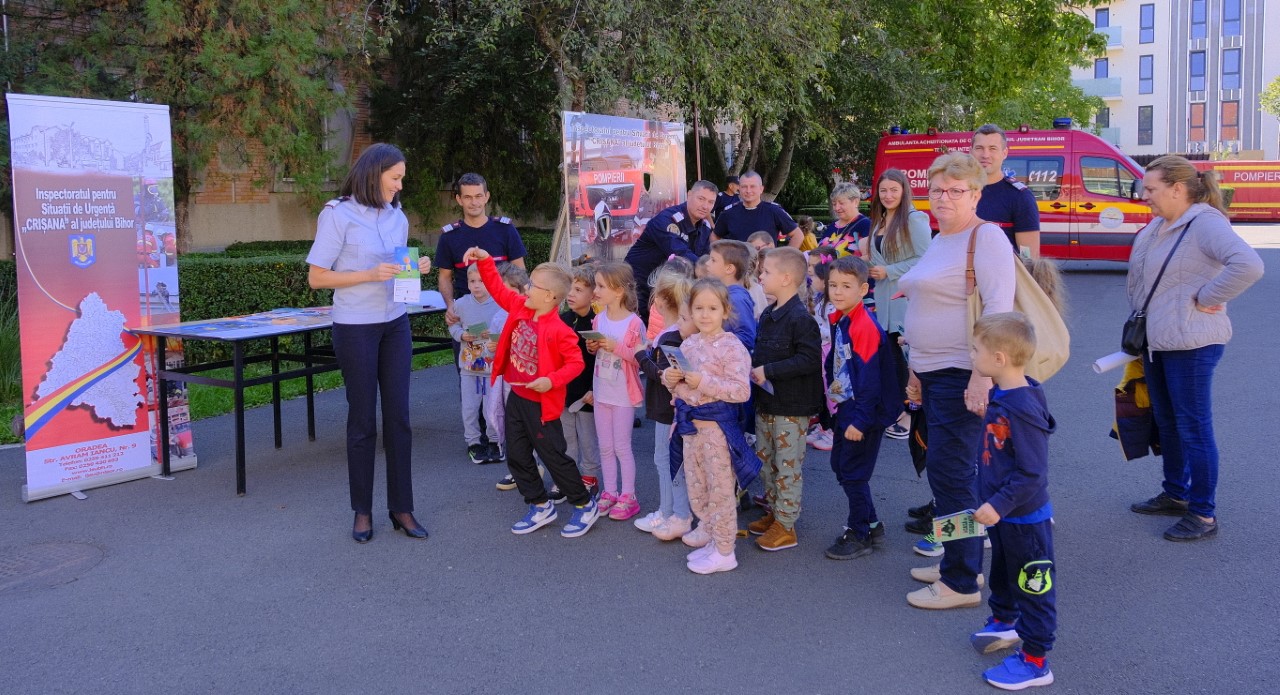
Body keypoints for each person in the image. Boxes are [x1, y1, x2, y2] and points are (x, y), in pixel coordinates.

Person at [1125, 155, 1264, 541]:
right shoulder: (1159, 225)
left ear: (1177, 189)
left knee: (1193, 427)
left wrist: (1207, 296)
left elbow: (1249, 265)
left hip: (1192, 342)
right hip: (1157, 341)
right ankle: (1176, 494)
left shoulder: (1204, 223)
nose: (1145, 196)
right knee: (1168, 423)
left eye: (1150, 189)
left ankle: (1203, 515)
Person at [899, 152, 1015, 608]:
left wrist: (980, 377)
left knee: (953, 477)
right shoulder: (942, 237)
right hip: (932, 372)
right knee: (949, 477)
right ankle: (955, 557)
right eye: (937, 189)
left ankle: (961, 580)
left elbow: (999, 311)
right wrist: (914, 370)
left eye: (955, 190)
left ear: (976, 194)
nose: (944, 197)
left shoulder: (984, 237)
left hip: (959, 374)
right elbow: (925, 308)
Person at [305, 143, 429, 543]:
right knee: (362, 421)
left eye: (401, 178)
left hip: (395, 324)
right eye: (395, 177)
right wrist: (368, 274)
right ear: (374, 174)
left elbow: (400, 277)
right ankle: (362, 511)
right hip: (355, 326)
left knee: (400, 419)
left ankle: (402, 508)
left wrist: (416, 270)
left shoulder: (398, 218)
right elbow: (318, 277)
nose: (399, 185)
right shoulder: (338, 215)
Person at [462, 246, 600, 538]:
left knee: (554, 457)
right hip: (518, 398)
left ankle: (584, 504)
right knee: (517, 455)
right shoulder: (520, 307)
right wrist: (486, 260)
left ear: (550, 296)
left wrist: (551, 381)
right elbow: (498, 289)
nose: (527, 289)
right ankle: (539, 505)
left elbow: (575, 363)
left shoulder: (560, 329)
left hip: (542, 405)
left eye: (534, 286)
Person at [967, 312, 1058, 690]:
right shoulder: (1005, 393)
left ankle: (1036, 660)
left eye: (976, 350)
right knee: (1004, 572)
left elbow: (1032, 472)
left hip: (1025, 517)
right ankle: (1005, 621)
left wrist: (999, 504)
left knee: (1033, 586)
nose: (972, 356)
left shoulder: (1021, 407)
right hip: (1005, 515)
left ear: (999, 359)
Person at [662, 279, 758, 574]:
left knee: (720, 490)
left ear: (725, 311)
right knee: (697, 486)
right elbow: (682, 392)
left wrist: (703, 382)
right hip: (691, 429)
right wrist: (672, 382)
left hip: (717, 431)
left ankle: (726, 550)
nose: (705, 315)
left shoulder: (732, 347)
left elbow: (741, 391)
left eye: (712, 308)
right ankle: (713, 538)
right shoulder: (689, 344)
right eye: (699, 308)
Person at [821, 255, 902, 559]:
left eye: (846, 286)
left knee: (853, 472)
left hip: (863, 413)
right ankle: (872, 522)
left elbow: (869, 381)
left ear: (863, 288)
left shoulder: (863, 326)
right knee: (842, 466)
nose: (838, 291)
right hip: (848, 408)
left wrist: (861, 421)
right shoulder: (843, 318)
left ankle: (859, 533)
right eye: (833, 285)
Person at [747, 247, 824, 552]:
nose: (760, 276)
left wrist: (769, 370)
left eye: (765, 272)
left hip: (791, 408)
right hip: (767, 403)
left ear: (786, 278)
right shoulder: (768, 313)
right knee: (767, 462)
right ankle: (774, 513)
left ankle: (786, 524)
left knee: (787, 466)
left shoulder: (800, 319)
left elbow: (809, 360)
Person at [860, 168, 932, 441]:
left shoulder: (914, 219)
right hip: (882, 301)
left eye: (894, 189)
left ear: (904, 190)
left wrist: (888, 271)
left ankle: (910, 414)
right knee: (890, 359)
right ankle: (894, 409)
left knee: (907, 359)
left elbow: (925, 258)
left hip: (905, 299)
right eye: (883, 190)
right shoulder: (879, 219)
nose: (888, 195)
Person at [634, 271, 696, 541]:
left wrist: (640, 354)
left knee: (667, 461)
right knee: (668, 461)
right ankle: (671, 511)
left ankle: (672, 513)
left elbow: (661, 375)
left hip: (666, 408)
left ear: (659, 300)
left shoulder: (671, 337)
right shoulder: (672, 334)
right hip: (669, 407)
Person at [586, 262, 646, 521]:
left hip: (623, 395)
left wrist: (614, 346)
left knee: (622, 447)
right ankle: (610, 492)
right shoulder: (599, 318)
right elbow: (597, 352)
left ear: (619, 290)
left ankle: (628, 496)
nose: (596, 291)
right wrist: (594, 346)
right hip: (602, 392)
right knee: (605, 446)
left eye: (601, 286)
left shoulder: (635, 324)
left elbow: (641, 358)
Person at [435, 173, 527, 322]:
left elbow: (520, 270)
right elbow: (445, 277)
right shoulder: (449, 236)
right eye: (467, 197)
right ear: (459, 199)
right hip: (466, 313)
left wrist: (521, 303)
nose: (474, 202)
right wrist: (451, 305)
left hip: (503, 308)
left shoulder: (505, 229)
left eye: (478, 196)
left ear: (486, 197)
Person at [624, 180, 718, 318]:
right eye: (701, 199)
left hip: (666, 292)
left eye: (710, 202)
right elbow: (681, 254)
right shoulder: (667, 220)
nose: (705, 206)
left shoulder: (704, 228)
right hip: (638, 287)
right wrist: (711, 271)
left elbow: (704, 259)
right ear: (689, 195)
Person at [448, 264, 500, 464]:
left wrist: (495, 336)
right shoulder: (461, 304)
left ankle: (495, 441)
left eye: (482, 281)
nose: (477, 285)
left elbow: (508, 328)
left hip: (492, 367)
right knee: (470, 408)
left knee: (491, 408)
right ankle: (474, 444)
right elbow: (453, 324)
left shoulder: (500, 304)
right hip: (469, 368)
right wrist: (462, 335)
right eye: (472, 281)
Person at [487, 263, 532, 489]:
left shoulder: (528, 313)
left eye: (510, 292)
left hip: (523, 378)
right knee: (507, 421)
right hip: (504, 378)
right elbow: (493, 348)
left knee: (525, 423)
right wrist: (492, 349)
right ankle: (516, 467)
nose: (504, 297)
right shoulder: (498, 316)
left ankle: (529, 465)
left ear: (524, 290)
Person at [561, 264, 601, 499]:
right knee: (566, 439)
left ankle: (589, 479)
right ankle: (568, 479)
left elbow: (602, 363)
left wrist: (595, 389)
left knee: (588, 440)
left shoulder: (598, 323)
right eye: (569, 289)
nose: (571, 294)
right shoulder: (563, 319)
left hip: (587, 394)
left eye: (578, 289)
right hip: (564, 391)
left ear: (593, 293)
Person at [971, 124, 1041, 259]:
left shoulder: (1020, 197)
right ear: (971, 151)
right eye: (979, 148)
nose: (985, 155)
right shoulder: (960, 191)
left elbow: (1028, 257)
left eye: (993, 149)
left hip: (1002, 278)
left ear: (1004, 153)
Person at [712, 171, 801, 247]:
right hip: (739, 266)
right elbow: (714, 236)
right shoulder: (729, 213)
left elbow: (798, 235)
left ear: (761, 189)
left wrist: (783, 260)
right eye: (744, 187)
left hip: (765, 265)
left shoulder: (774, 211)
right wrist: (724, 258)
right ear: (739, 189)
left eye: (752, 186)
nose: (748, 191)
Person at [818, 182, 870, 257]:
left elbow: (869, 258)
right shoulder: (833, 226)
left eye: (841, 203)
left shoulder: (866, 225)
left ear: (856, 202)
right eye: (834, 204)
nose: (837, 208)